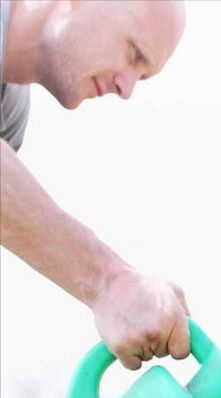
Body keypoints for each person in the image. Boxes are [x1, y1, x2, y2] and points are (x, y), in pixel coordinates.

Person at [0, 0, 191, 371]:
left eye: (144, 76)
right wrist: (108, 281)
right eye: (134, 54)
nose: (127, 88)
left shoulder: (9, 119)